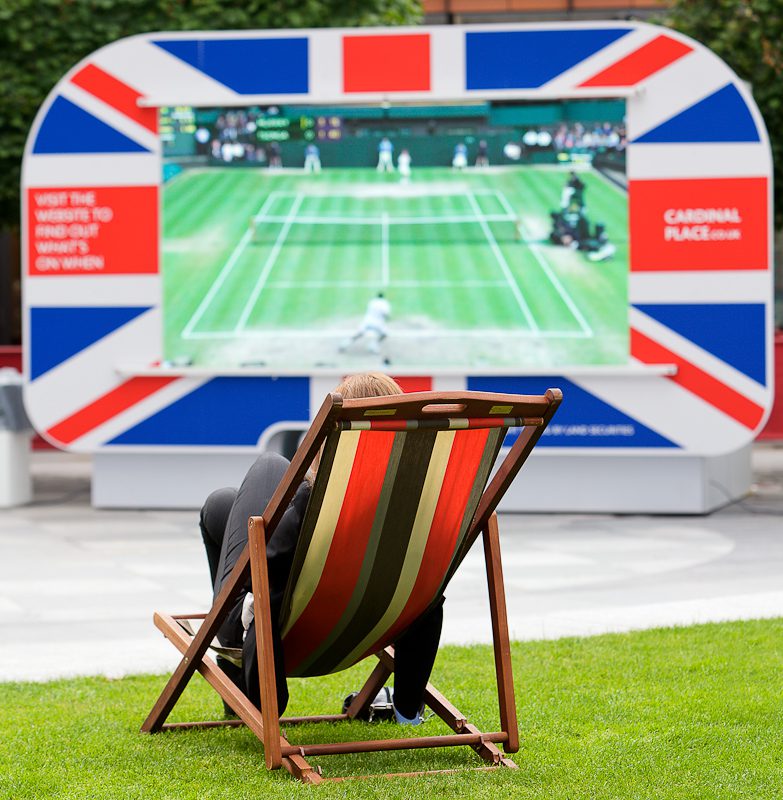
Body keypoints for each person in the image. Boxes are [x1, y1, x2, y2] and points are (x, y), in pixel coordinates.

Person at [200, 373, 441, 724]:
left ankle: (230, 671)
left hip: (274, 636)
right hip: (365, 630)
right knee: (222, 504)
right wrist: (408, 703)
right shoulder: (421, 512)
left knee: (266, 468)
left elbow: (263, 584)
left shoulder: (316, 505)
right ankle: (407, 709)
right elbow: (430, 596)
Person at [339, 292, 391, 356]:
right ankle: (373, 345)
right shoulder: (385, 303)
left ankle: (344, 344)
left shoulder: (372, 302)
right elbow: (386, 315)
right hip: (378, 323)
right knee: (384, 335)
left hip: (368, 321)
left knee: (359, 334)